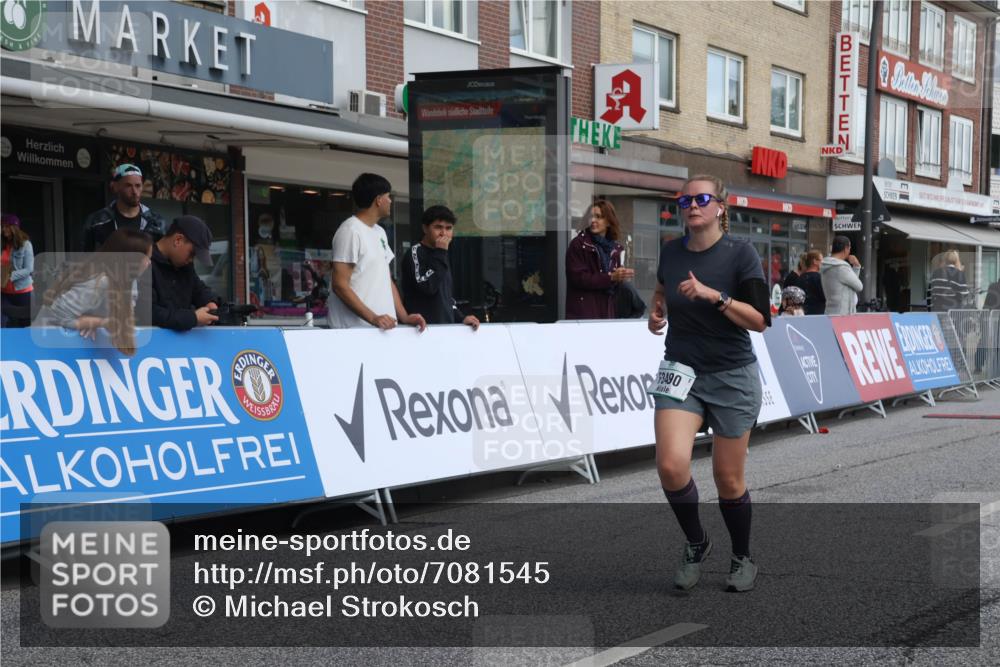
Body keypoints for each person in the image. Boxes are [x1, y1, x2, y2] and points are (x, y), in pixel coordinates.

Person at [647, 174, 770, 593]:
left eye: (701, 199)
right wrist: (656, 311)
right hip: (681, 371)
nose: (693, 206)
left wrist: (715, 297)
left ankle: (742, 556)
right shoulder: (671, 251)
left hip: (732, 375)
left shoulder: (741, 254)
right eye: (685, 201)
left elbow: (760, 320)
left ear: (721, 207)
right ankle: (697, 542)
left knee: (727, 479)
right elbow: (661, 289)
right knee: (670, 465)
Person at [326, 173, 426, 331]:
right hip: (353, 331)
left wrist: (404, 317)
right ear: (378, 200)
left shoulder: (380, 232)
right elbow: (339, 285)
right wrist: (373, 317)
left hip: (381, 330)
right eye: (388, 196)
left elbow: (386, 279)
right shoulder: (350, 230)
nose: (390, 201)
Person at [34, 229, 152, 355]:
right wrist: (98, 322)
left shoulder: (129, 280)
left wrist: (92, 322)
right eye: (146, 258)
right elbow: (56, 314)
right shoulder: (99, 281)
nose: (149, 263)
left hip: (68, 345)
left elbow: (124, 315)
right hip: (44, 345)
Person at [401, 205, 479, 330]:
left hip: (445, 328)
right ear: (425, 228)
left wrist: (461, 317)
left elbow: (445, 296)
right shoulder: (415, 252)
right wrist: (441, 253)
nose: (443, 233)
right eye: (438, 227)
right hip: (421, 330)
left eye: (449, 228)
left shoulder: (441, 254)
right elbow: (428, 287)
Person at [148, 215, 221, 330]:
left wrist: (209, 302)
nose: (191, 260)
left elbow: (198, 289)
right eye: (191, 254)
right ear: (178, 240)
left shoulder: (185, 266)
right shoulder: (144, 263)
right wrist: (192, 318)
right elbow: (150, 313)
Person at [565, 200, 634, 319]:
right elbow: (578, 278)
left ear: (609, 222)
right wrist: (611, 277)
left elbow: (614, 287)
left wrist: (621, 277)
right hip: (584, 313)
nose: (593, 220)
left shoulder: (616, 249)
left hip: (607, 312)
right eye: (590, 216)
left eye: (598, 217)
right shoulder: (578, 244)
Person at [82, 164, 167, 252]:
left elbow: (162, 256)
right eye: (128, 186)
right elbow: (85, 255)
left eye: (138, 186)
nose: (134, 191)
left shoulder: (156, 222)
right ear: (115, 187)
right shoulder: (97, 221)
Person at [1, 214, 34, 328]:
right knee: (2, 323)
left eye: (6, 226)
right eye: (2, 226)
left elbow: (29, 269)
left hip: (23, 292)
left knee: (25, 325)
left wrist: (9, 276)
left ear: (14, 227)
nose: (3, 229)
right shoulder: (2, 245)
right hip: (4, 293)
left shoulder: (25, 244)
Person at [820, 236, 863, 315]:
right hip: (843, 314)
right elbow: (859, 286)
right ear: (846, 248)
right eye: (849, 248)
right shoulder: (841, 268)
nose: (849, 250)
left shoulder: (826, 265)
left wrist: (856, 267)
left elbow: (851, 282)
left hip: (830, 311)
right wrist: (857, 266)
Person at [799, 250, 825, 315]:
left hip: (803, 314)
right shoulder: (819, 278)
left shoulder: (800, 278)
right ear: (815, 261)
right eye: (821, 260)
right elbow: (824, 296)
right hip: (818, 314)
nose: (823, 263)